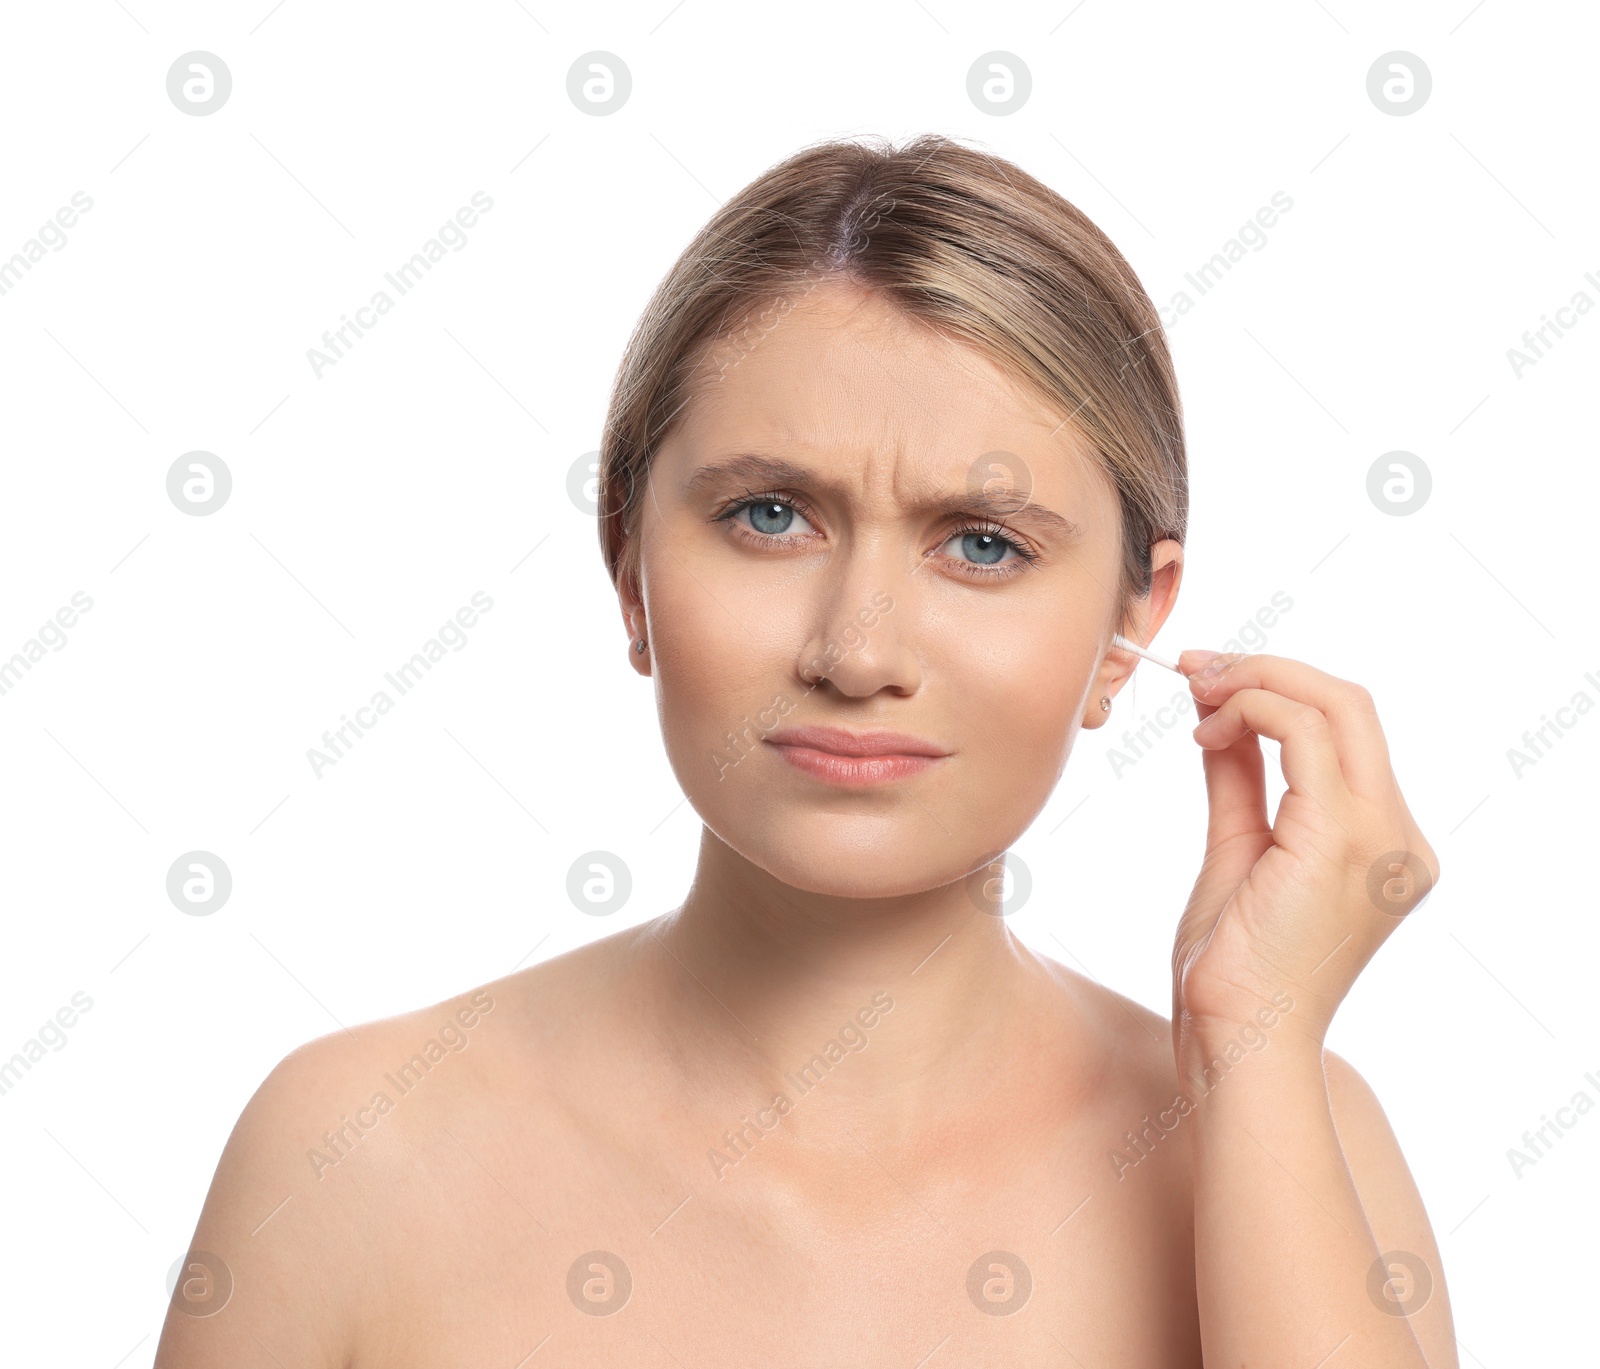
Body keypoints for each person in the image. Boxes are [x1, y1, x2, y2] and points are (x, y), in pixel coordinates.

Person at [156, 133, 1452, 1367]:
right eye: (770, 516)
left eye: (983, 543)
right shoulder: (349, 1154)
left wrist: (1250, 1048)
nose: (858, 648)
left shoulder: (1286, 1134)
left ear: (1131, 625)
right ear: (628, 570)